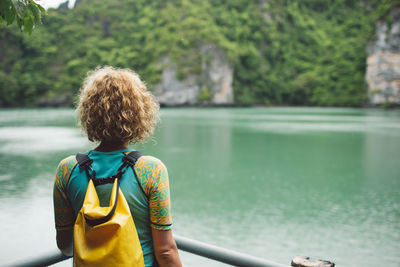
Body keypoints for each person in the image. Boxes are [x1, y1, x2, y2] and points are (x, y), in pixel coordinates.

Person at [53, 66, 182, 267]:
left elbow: (65, 246)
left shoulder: (67, 170)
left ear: (88, 112)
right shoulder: (150, 171)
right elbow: (165, 251)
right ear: (140, 113)